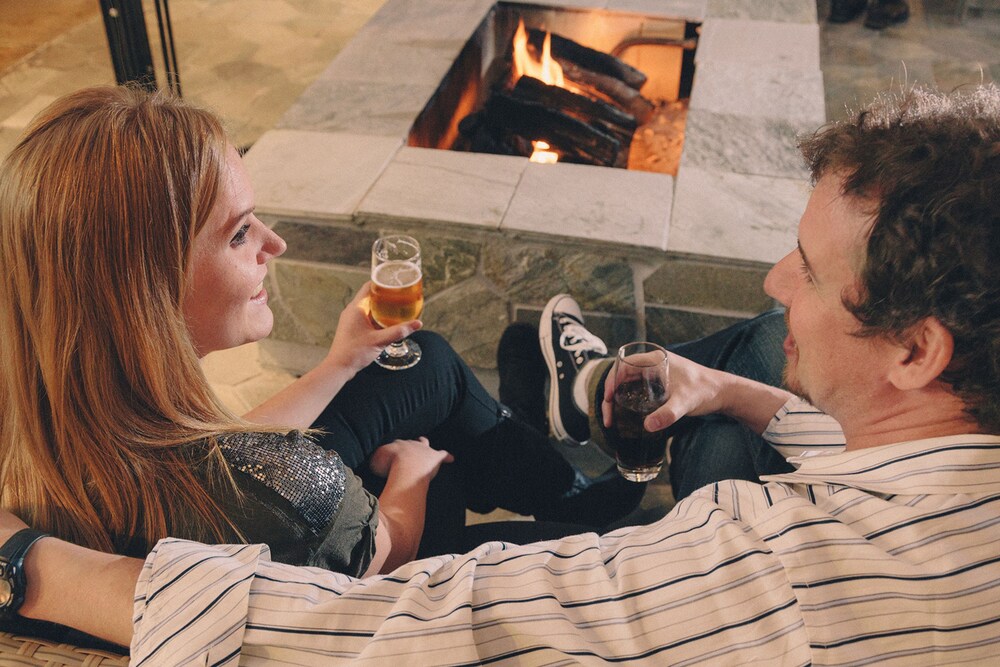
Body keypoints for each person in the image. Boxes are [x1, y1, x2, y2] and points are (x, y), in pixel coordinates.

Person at [6, 83, 1000, 662]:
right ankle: (590, 452)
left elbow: (412, 626)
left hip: (379, 549)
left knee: (705, 396)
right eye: (235, 229)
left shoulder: (758, 569)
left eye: (810, 270)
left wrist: (27, 565)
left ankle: (586, 446)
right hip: (334, 509)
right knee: (722, 372)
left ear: (916, 351)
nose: (778, 275)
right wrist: (731, 390)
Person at [0, 87, 645, 603]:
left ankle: (554, 466)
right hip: (380, 580)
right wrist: (411, 474)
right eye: (236, 235)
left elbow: (196, 451)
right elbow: (384, 549)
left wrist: (341, 363)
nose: (274, 245)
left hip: (214, 509)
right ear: (143, 295)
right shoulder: (278, 490)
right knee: (450, 464)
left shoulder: (39, 410)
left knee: (429, 364)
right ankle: (582, 502)